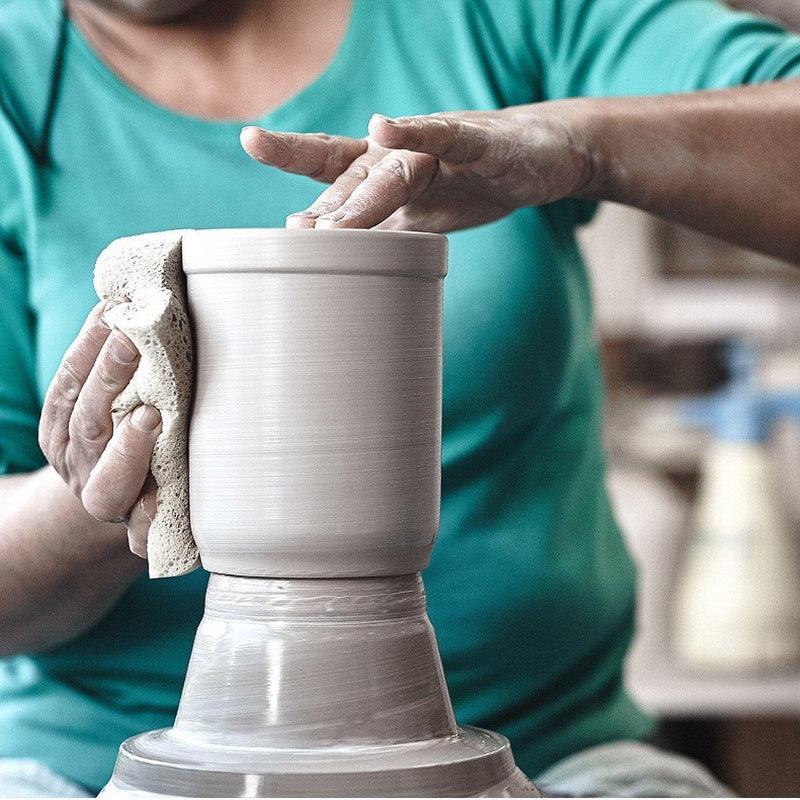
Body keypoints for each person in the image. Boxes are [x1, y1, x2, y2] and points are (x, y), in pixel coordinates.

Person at [0, 0, 798, 795]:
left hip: (544, 747)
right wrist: (121, 486)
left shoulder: (492, 16)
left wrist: (583, 144)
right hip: (98, 757)